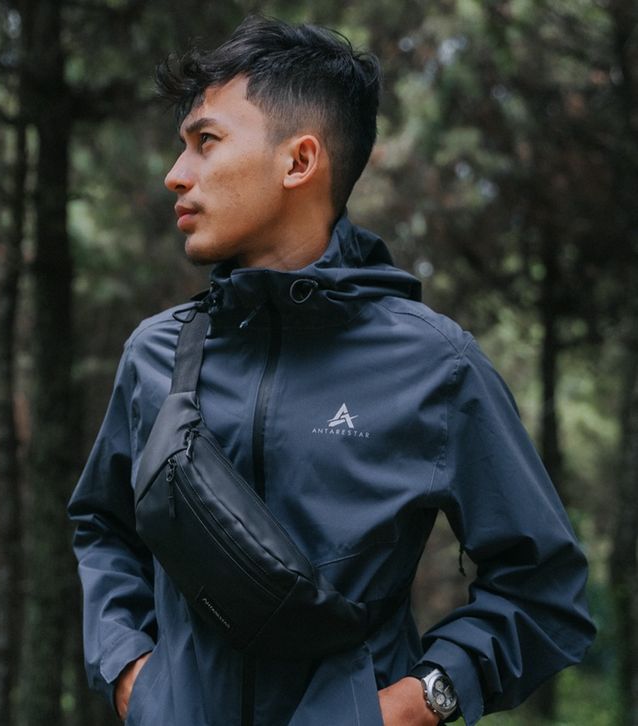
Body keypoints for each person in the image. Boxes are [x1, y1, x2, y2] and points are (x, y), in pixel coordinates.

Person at [68, 15, 595, 726]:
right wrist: (129, 669)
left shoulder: (435, 365)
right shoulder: (156, 353)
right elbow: (103, 525)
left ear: (298, 162)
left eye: (205, 142)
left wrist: (417, 703)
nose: (176, 174)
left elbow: (544, 588)